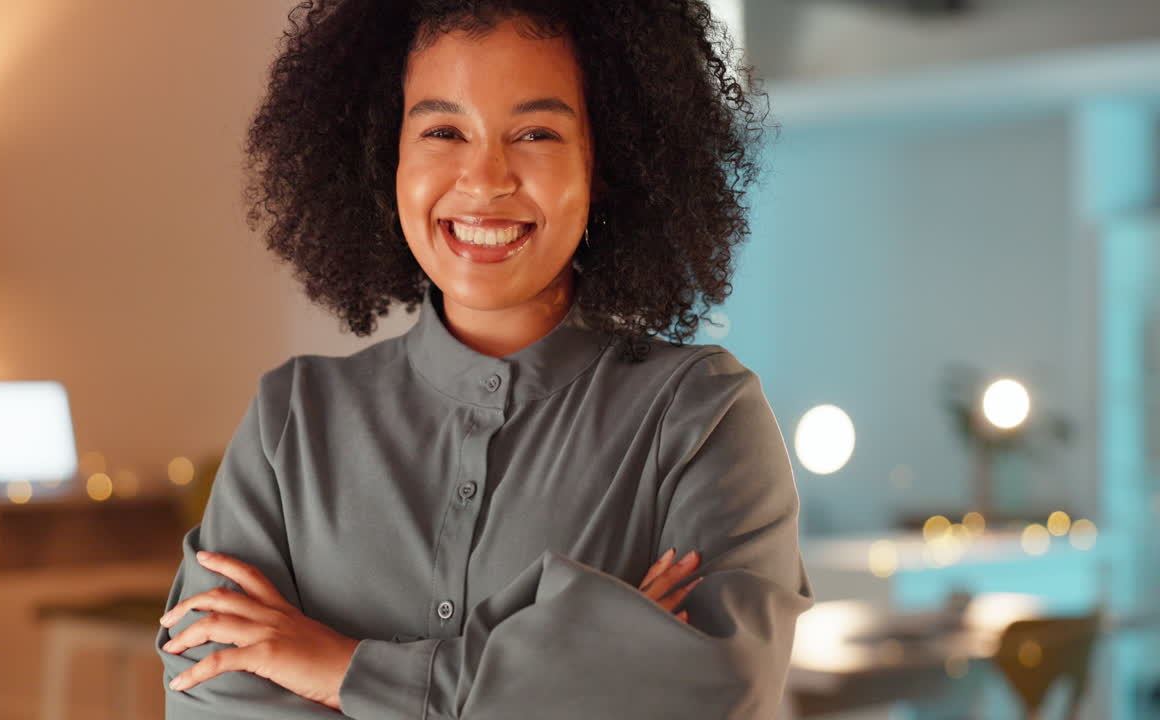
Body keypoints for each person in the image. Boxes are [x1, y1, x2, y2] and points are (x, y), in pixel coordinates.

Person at [155, 1, 813, 718]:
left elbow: (708, 692)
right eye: (443, 130)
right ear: (386, 152)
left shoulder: (699, 417)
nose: (485, 178)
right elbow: (212, 692)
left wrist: (341, 669)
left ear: (609, 160)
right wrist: (574, 666)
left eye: (536, 132)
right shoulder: (293, 422)